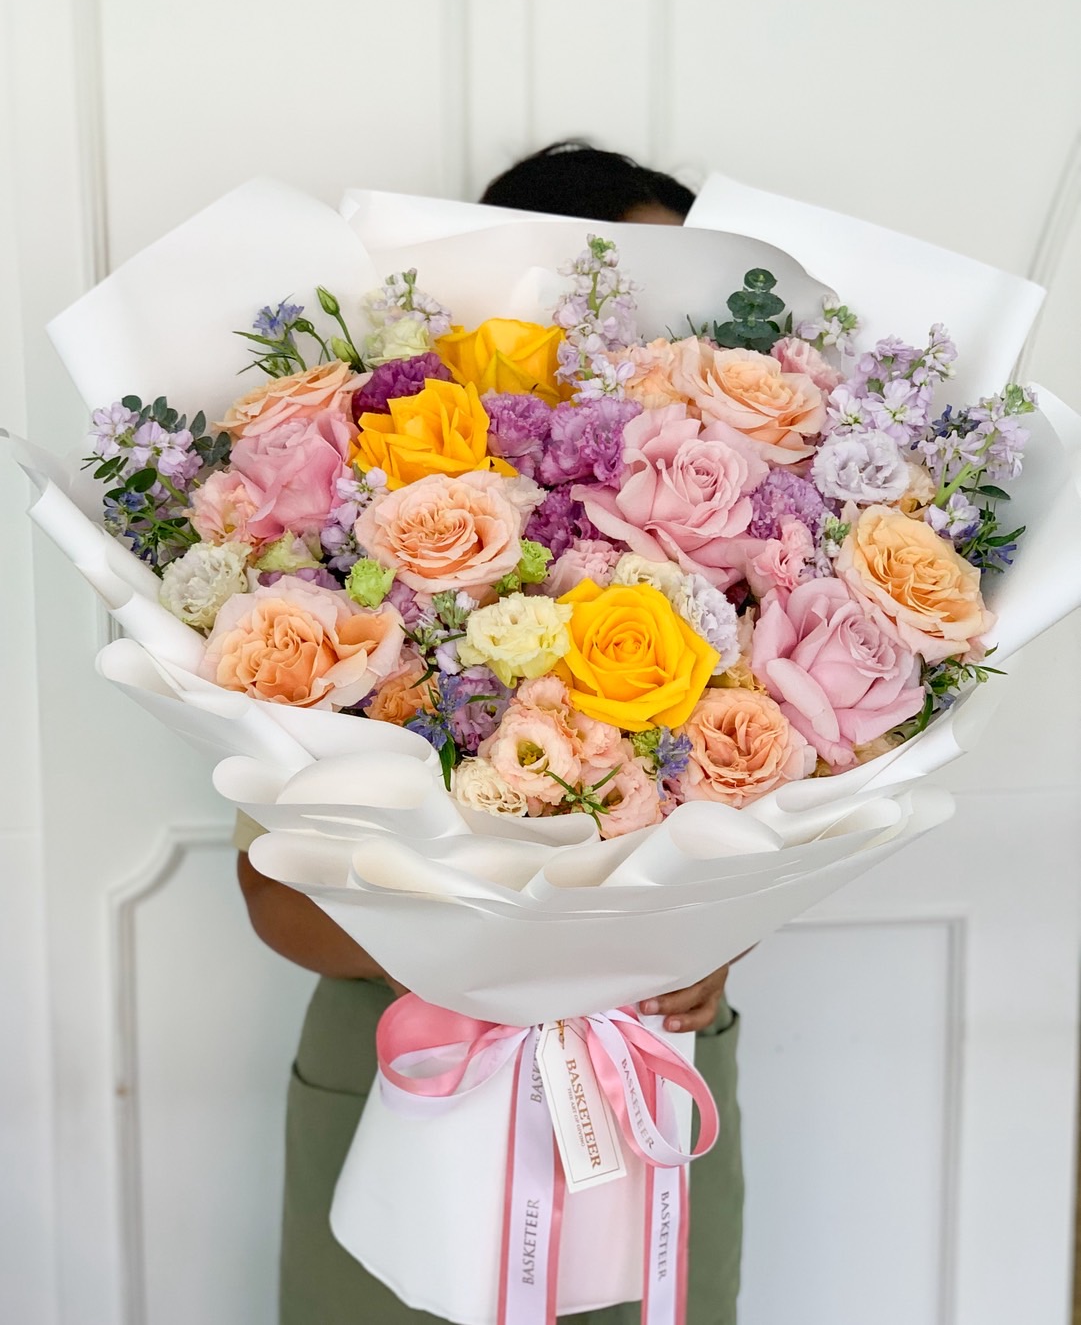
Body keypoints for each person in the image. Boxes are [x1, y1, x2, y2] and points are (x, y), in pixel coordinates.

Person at [235, 140, 744, 1325]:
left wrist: (711, 935)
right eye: (609, 283)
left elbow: (782, 827)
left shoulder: (738, 561)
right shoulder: (349, 558)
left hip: (648, 1075)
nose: (642, 333)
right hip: (401, 1074)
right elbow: (278, 904)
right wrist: (523, 943)